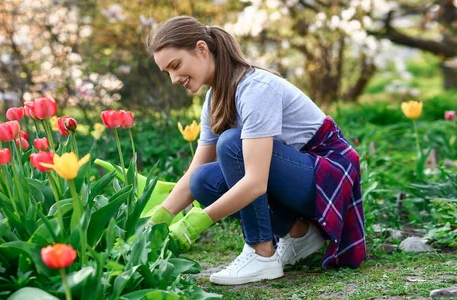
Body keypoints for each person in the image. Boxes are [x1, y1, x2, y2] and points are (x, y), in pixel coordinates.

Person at [143, 16, 365, 286]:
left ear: (201, 49)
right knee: (203, 180)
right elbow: (194, 173)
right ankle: (299, 234)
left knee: (231, 144)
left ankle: (262, 255)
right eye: (167, 73)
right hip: (293, 177)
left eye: (176, 66)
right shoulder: (215, 99)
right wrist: (157, 221)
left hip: (325, 176)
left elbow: (255, 182)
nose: (174, 78)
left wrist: (196, 222)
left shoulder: (255, 88)